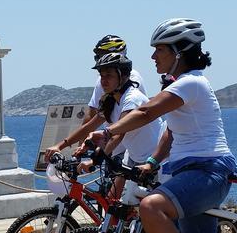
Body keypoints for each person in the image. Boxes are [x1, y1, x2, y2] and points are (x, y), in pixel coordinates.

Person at [88, 18, 237, 233]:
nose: (153, 57)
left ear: (179, 52)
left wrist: (110, 132)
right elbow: (170, 130)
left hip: (206, 171)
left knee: (150, 207)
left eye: (159, 50)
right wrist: (153, 162)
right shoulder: (180, 84)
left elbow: (146, 113)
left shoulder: (190, 84)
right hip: (191, 173)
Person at [45, 53, 161, 184]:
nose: (103, 80)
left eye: (109, 75)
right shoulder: (110, 101)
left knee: (142, 202)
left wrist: (94, 160)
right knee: (119, 201)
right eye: (102, 75)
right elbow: (88, 127)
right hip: (134, 157)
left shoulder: (132, 99)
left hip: (153, 160)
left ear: (123, 76)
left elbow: (118, 134)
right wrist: (59, 146)